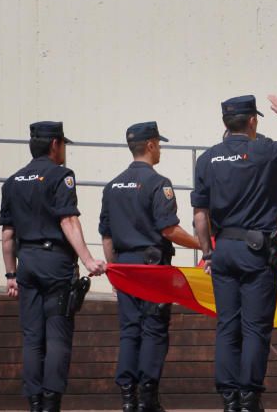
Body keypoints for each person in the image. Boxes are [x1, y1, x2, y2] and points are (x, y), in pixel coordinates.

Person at [192, 95, 277, 412]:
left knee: (227, 326)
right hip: (256, 253)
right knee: (255, 328)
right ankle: (249, 397)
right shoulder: (266, 151)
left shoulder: (207, 159)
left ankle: (229, 398)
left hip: (223, 252)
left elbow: (199, 217)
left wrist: (208, 253)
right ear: (253, 120)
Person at [0, 121, 106, 412]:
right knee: (57, 334)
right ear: (55, 145)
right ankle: (50, 403)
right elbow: (68, 220)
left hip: (27, 264)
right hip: (55, 263)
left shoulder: (12, 181)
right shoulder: (61, 176)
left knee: (32, 337)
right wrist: (87, 259)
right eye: (63, 145)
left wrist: (10, 275)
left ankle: (34, 402)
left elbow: (8, 235)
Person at [99, 121, 202, 412]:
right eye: (159, 144)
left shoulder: (112, 186)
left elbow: (106, 235)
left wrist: (113, 269)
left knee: (130, 330)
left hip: (124, 266)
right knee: (154, 329)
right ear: (151, 145)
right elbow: (169, 230)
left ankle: (128, 398)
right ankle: (147, 397)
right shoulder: (159, 184)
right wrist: (201, 245)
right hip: (153, 267)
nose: (160, 151)